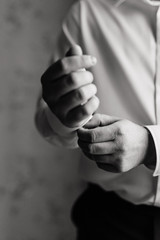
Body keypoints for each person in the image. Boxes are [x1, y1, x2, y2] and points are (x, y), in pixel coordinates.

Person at [35, 0, 160, 239]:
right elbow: (46, 123)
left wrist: (151, 146)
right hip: (110, 221)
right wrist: (66, 116)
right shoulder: (87, 11)